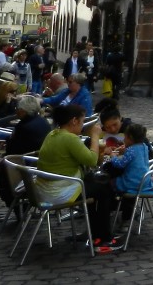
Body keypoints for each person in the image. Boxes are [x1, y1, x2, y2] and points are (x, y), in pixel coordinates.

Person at [36, 104, 118, 250]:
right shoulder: (70, 139)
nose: (82, 125)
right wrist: (94, 136)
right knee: (104, 189)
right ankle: (105, 237)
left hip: (45, 187)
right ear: (74, 121)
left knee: (95, 185)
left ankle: (95, 233)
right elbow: (91, 160)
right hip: (59, 191)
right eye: (81, 121)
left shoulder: (53, 134)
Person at [0, 94, 51, 210]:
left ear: (23, 111)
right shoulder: (44, 122)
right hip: (40, 163)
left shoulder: (23, 127)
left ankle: (16, 206)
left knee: (2, 168)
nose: (16, 112)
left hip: (26, 166)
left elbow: (12, 150)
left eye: (18, 109)